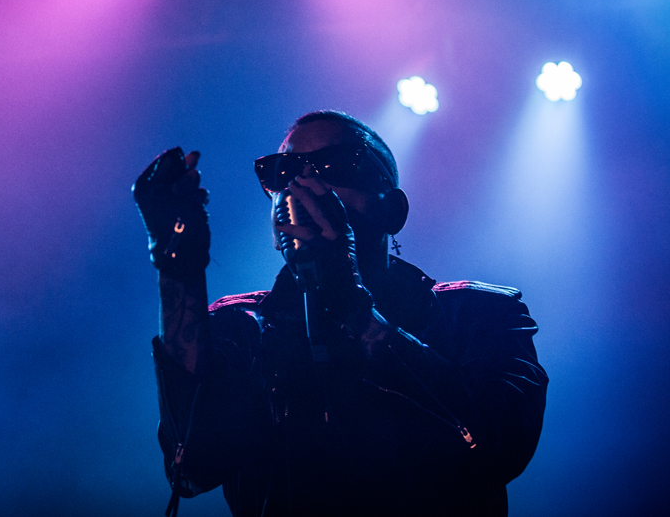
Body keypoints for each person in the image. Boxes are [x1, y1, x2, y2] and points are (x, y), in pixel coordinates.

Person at [133, 110, 548, 517]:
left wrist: (350, 303)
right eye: (282, 171)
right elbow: (191, 468)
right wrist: (179, 271)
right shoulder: (241, 324)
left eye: (335, 164)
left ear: (393, 211)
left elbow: (497, 447)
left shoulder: (480, 312)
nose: (302, 184)